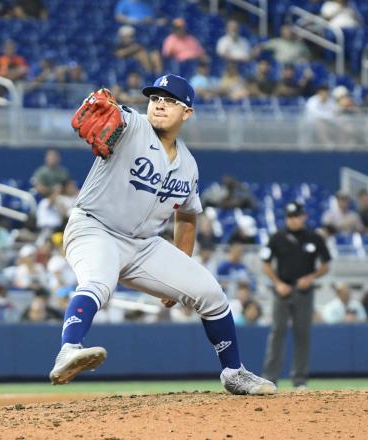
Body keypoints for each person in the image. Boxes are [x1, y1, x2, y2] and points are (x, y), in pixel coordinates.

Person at [48, 74, 275, 395]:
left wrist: (177, 274)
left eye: (170, 101)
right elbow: (108, 112)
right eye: (155, 99)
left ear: (187, 112)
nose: (160, 105)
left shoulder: (188, 166)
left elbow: (186, 218)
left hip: (143, 246)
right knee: (99, 281)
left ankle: (234, 372)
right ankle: (69, 348)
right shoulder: (131, 126)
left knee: (210, 293)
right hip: (94, 227)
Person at [261, 202, 331, 389]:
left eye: (297, 216)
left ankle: (300, 379)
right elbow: (265, 263)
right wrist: (278, 283)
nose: (293, 220)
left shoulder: (314, 238)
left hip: (304, 292)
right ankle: (270, 378)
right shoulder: (277, 237)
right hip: (282, 291)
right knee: (277, 332)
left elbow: (326, 264)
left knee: (302, 334)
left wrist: (311, 277)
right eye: (290, 217)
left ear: (304, 217)